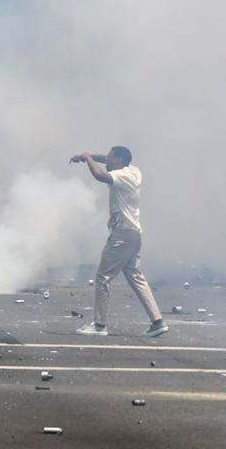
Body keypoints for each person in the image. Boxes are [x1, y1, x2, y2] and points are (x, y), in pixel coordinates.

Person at [68, 145, 168, 338]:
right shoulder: (134, 170)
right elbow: (104, 159)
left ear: (120, 161)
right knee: (136, 277)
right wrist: (84, 156)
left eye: (112, 159)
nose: (107, 162)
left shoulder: (121, 176)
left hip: (122, 236)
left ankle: (99, 325)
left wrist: (88, 158)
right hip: (134, 235)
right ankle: (158, 321)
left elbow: (99, 175)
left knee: (103, 277)